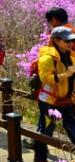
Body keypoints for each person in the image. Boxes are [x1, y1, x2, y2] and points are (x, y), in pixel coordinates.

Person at [25, 7, 72, 149]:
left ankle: (40, 141)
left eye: (50, 21)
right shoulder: (71, 31)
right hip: (68, 83)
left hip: (58, 82)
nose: (50, 24)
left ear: (55, 20)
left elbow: (53, 59)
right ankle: (40, 140)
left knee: (48, 110)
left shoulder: (57, 35)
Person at [33, 26, 75, 162]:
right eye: (66, 41)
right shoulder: (47, 58)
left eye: (72, 40)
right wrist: (66, 74)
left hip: (68, 101)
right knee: (46, 133)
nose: (70, 43)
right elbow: (45, 79)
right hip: (50, 102)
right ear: (56, 40)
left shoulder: (72, 57)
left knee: (72, 129)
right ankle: (40, 159)